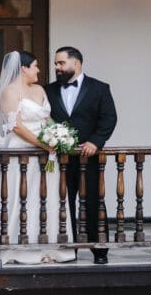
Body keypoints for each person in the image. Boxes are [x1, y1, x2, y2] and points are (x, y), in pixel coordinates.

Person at [0, 50, 76, 264]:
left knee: (48, 197)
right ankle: (16, 249)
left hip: (47, 153)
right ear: (24, 68)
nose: (38, 70)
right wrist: (42, 144)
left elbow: (47, 119)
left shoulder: (39, 89)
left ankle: (49, 248)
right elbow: (16, 126)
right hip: (21, 150)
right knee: (21, 196)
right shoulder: (10, 92)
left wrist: (60, 136)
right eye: (35, 66)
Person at [43, 46, 118, 264]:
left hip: (89, 159)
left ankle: (100, 250)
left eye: (61, 63)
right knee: (63, 205)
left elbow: (109, 118)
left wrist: (96, 141)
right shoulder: (48, 91)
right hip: (60, 160)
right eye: (55, 64)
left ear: (76, 63)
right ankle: (69, 250)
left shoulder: (100, 88)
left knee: (94, 203)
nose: (57, 67)